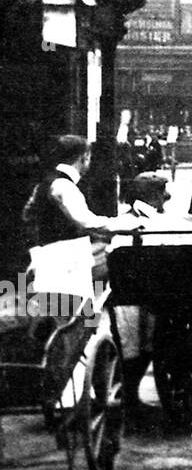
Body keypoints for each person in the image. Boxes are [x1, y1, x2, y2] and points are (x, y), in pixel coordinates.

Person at [22, 134, 153, 409]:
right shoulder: (63, 186)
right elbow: (85, 220)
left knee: (65, 325)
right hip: (66, 260)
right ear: (83, 158)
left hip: (52, 258)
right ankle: (68, 397)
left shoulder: (46, 182)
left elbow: (28, 215)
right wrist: (122, 225)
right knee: (75, 325)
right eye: (88, 157)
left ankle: (62, 395)